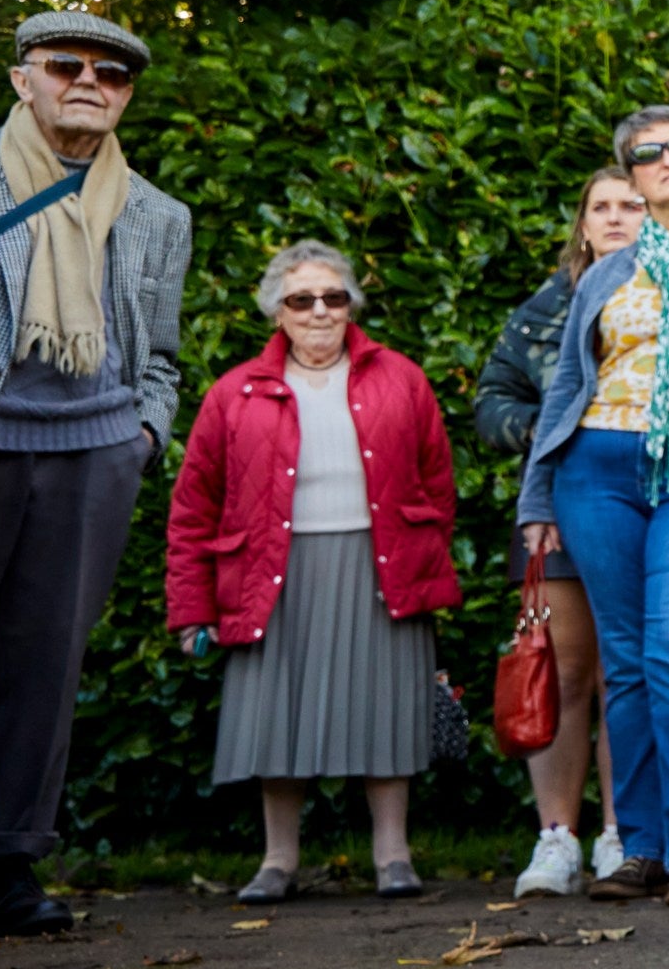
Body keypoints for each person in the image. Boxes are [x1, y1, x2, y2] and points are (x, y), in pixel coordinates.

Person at [0, 11, 191, 937]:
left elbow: (161, 355)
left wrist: (141, 438)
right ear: (24, 79)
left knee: (46, 667)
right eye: (66, 65)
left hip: (91, 455)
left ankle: (8, 875)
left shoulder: (157, 214)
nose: (89, 81)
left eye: (113, 74)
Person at [517, 106, 669, 907]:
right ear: (632, 174)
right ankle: (644, 847)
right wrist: (539, 494)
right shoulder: (606, 273)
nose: (667, 160)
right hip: (596, 468)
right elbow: (567, 386)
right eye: (647, 153)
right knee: (624, 662)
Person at [165, 243, 460, 903]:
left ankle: (394, 856)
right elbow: (193, 508)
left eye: (334, 297)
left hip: (379, 565)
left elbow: (438, 483)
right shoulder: (233, 392)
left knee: (386, 712)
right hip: (273, 572)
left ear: (351, 304)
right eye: (302, 300)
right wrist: (191, 610)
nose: (320, 311)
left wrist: (424, 559)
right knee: (277, 714)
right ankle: (277, 860)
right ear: (276, 312)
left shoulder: (402, 378)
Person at [474, 167, 643, 897]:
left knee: (626, 676)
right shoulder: (547, 305)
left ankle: (623, 835)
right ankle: (555, 840)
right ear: (582, 223)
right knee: (560, 670)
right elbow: (492, 400)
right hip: (557, 506)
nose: (614, 217)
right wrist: (549, 428)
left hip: (653, 499)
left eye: (629, 205)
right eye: (599, 206)